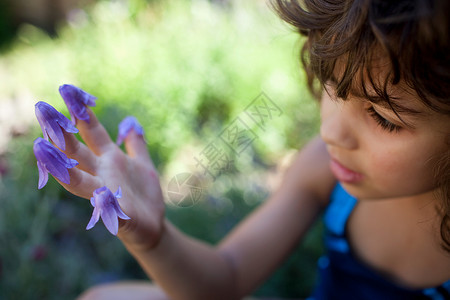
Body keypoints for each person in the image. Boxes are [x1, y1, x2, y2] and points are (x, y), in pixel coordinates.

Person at [53, 0, 450, 299]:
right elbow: (226, 276)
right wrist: (151, 239)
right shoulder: (324, 168)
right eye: (332, 83)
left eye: (383, 118)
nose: (330, 131)